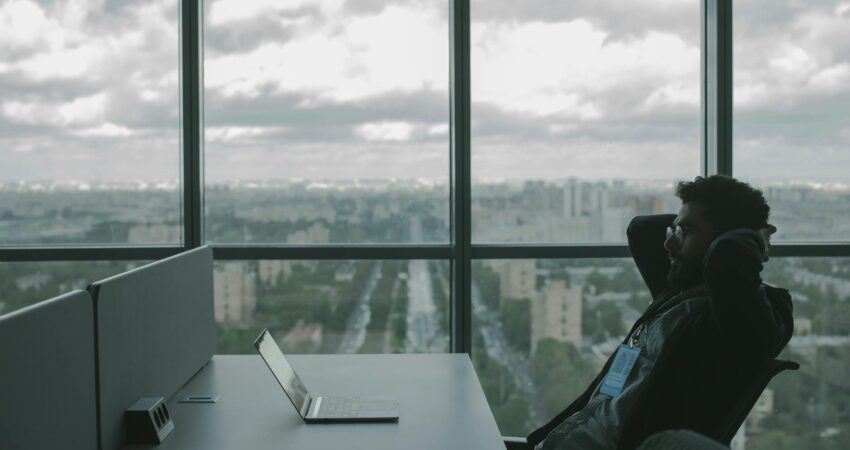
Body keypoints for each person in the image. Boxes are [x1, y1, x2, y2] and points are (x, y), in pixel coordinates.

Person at [527, 175, 794, 450]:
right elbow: (641, 229)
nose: (669, 244)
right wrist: (686, 227)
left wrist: (750, 236)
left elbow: (728, 257)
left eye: (686, 232)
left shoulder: (751, 316)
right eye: (675, 231)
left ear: (724, 243)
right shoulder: (676, 290)